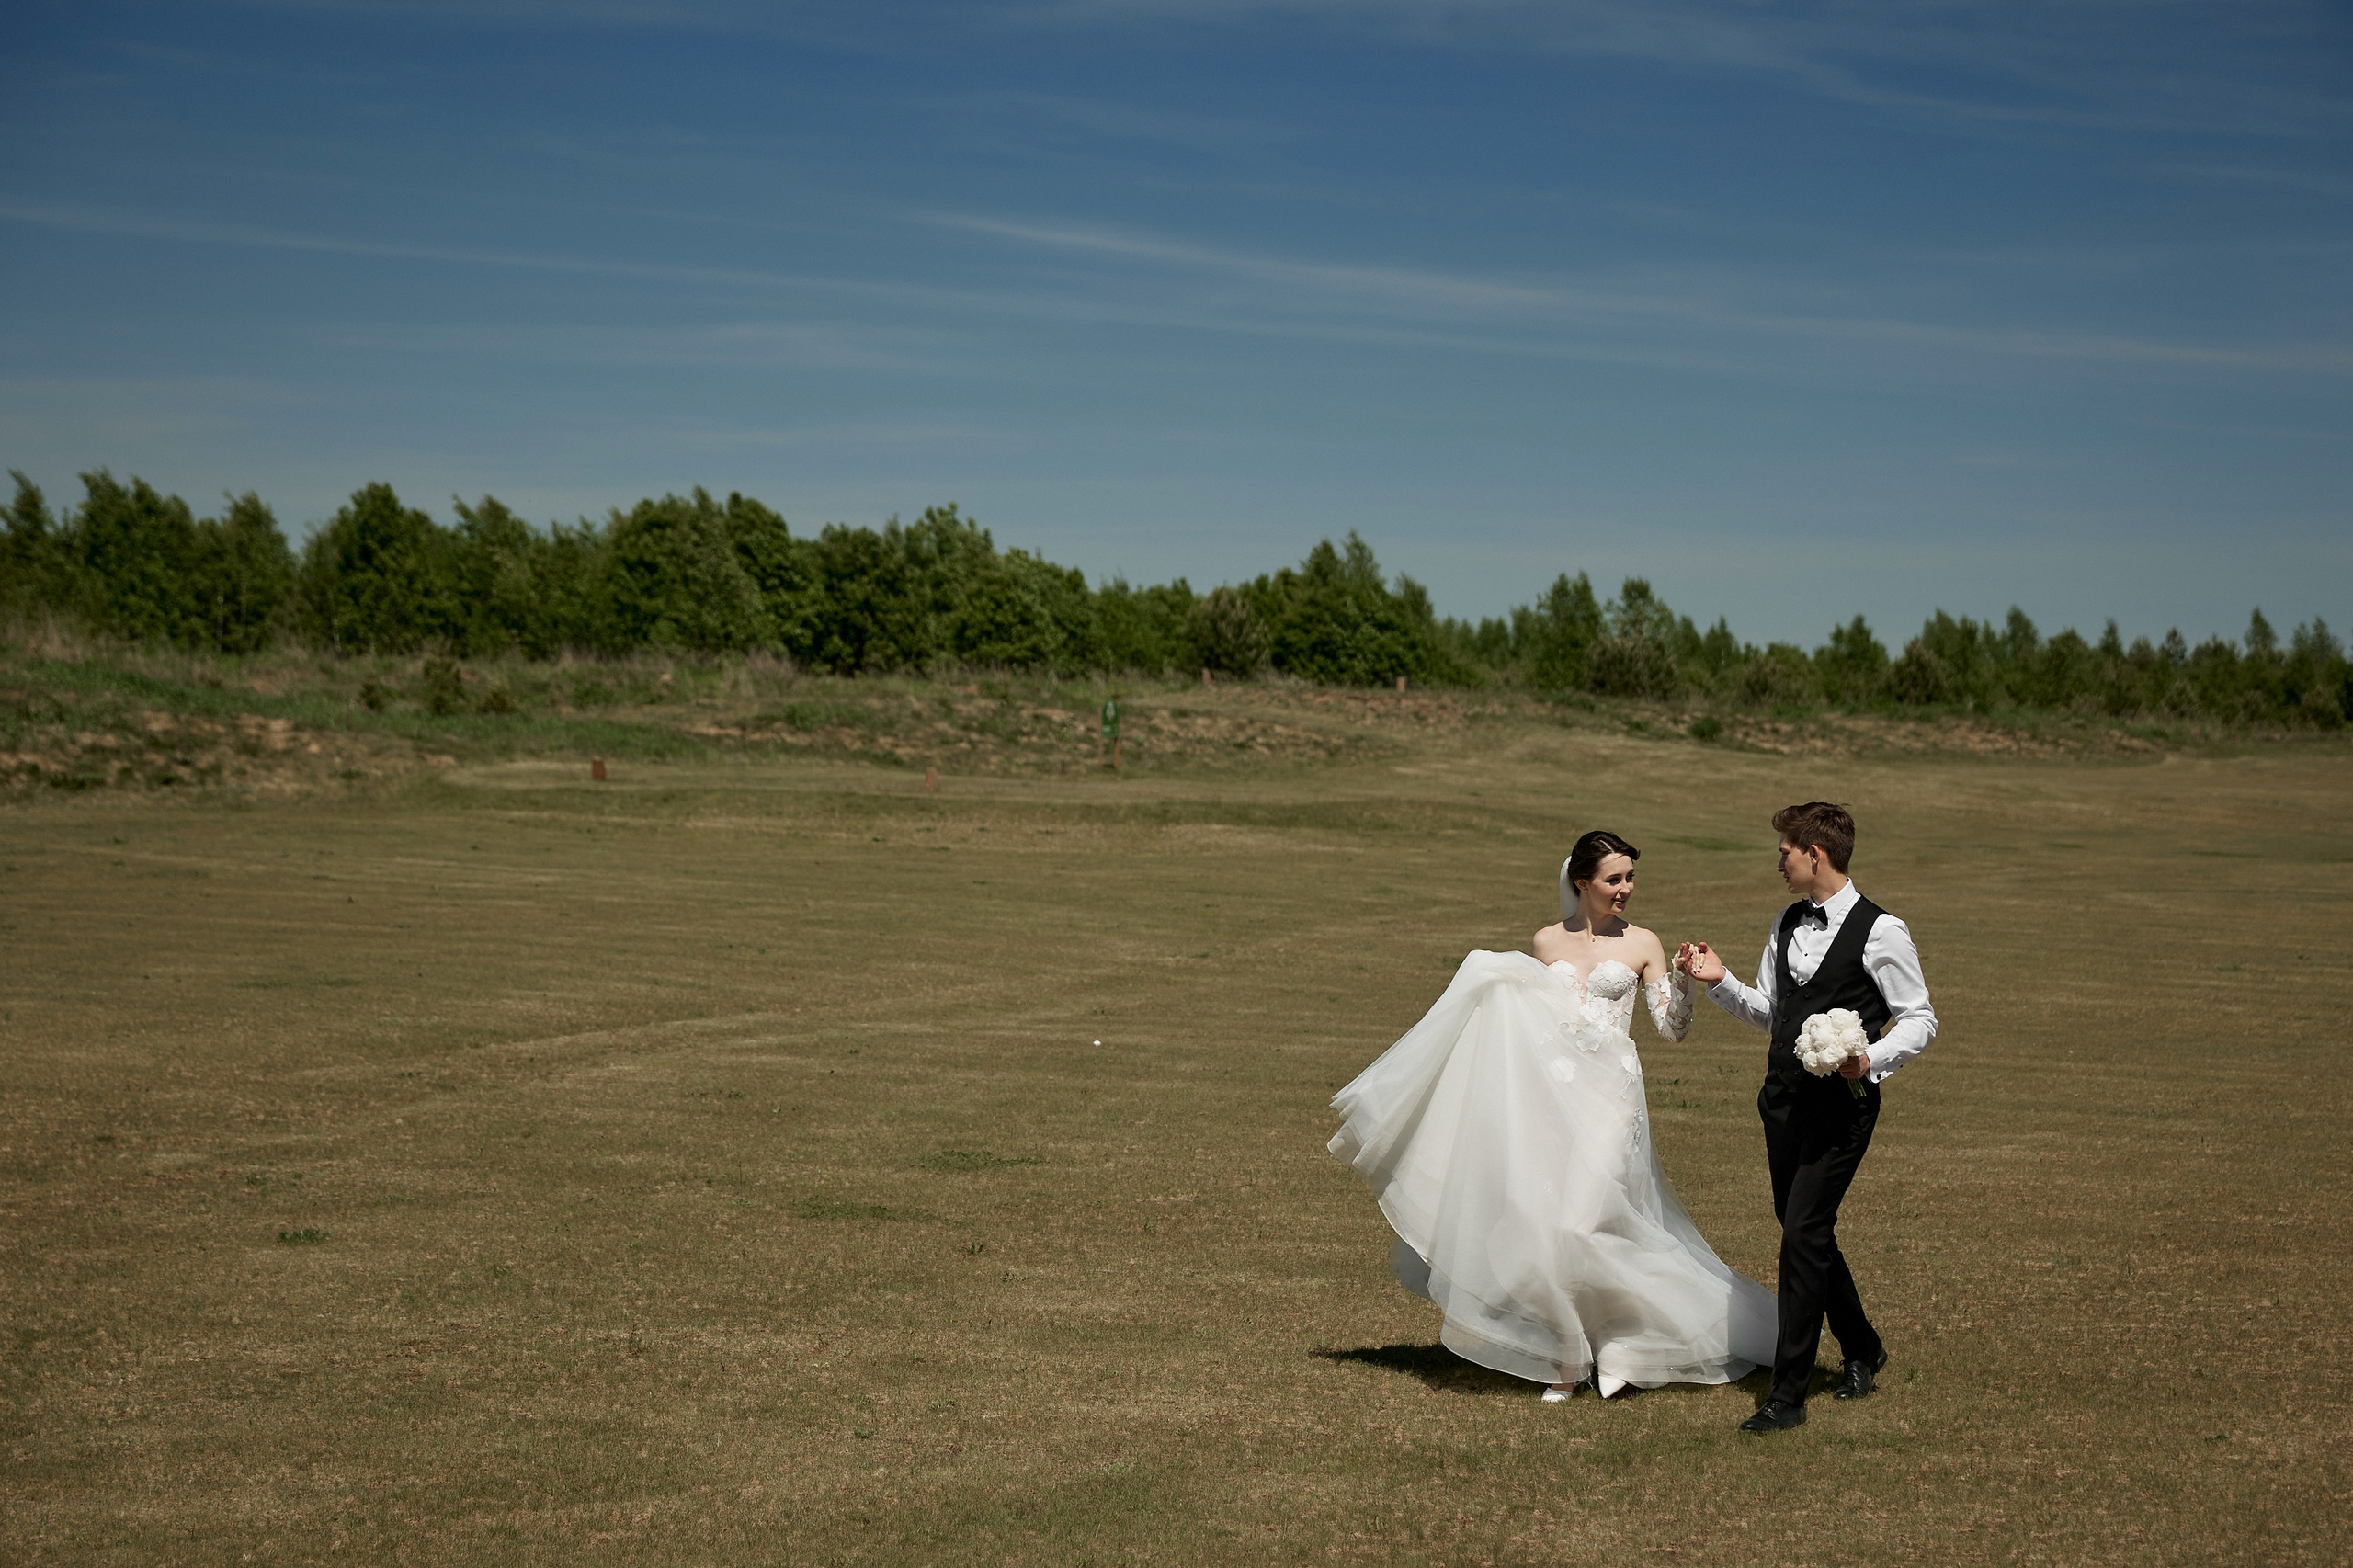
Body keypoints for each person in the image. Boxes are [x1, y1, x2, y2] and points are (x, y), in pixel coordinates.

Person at [1329, 830, 1776, 1401]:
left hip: (1612, 1097)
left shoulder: (1643, 943)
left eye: (1630, 878)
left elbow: (1673, 1028)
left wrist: (1688, 982)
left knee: (1585, 1222)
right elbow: (1528, 1025)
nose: (1625, 890)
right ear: (1581, 882)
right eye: (1614, 879)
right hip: (1553, 1095)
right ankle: (1570, 1353)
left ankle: (1623, 1344)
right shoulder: (1545, 943)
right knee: (1545, 1226)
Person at [1677, 802, 1937, 1435]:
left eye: (1786, 851)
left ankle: (1785, 1396)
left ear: (1815, 854)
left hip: (1842, 1110)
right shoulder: (1785, 921)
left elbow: (1921, 1017)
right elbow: (1775, 1014)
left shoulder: (1882, 931)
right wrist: (1720, 982)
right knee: (1804, 1231)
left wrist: (1869, 1058)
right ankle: (1863, 1347)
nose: (1780, 861)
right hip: (1782, 1101)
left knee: (1800, 1237)